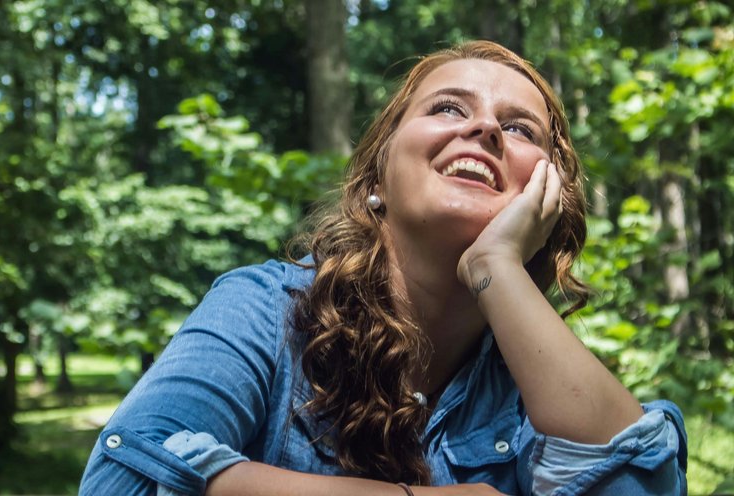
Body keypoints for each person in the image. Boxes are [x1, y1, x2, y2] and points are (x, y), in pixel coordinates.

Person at [79, 40, 687, 495]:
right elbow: (122, 476)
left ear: (548, 195)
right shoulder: (265, 309)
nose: (483, 128)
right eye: (447, 108)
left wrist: (496, 265)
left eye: (518, 128)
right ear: (378, 177)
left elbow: (638, 484)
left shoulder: (538, 386)